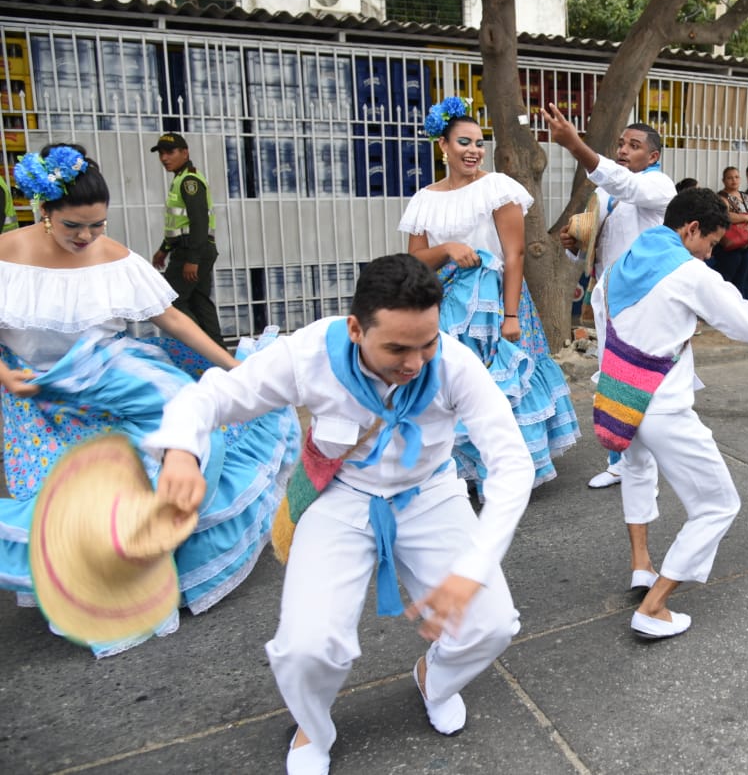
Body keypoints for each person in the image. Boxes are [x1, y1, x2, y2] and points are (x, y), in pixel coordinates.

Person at [145, 253, 534, 775]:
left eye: (427, 343)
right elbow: (210, 397)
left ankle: (434, 678)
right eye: (397, 347)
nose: (415, 363)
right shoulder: (308, 353)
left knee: (490, 624)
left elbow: (513, 463)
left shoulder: (455, 363)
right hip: (341, 493)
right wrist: (180, 452)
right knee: (306, 646)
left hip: (430, 492)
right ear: (356, 328)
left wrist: (476, 563)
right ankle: (313, 725)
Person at [0, 143, 298, 656]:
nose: (88, 237)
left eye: (98, 224)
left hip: (111, 386)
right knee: (68, 506)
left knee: (152, 476)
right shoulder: (7, 257)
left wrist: (235, 368)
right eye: (74, 226)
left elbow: (175, 319)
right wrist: (6, 374)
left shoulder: (115, 258)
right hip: (36, 403)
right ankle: (100, 598)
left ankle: (158, 582)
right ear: (43, 211)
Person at [592, 187, 748, 638]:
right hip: (664, 405)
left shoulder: (626, 261)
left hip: (619, 395)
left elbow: (603, 314)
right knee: (718, 504)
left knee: (639, 472)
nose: (710, 253)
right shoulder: (689, 273)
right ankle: (654, 605)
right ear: (692, 229)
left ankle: (641, 565)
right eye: (711, 243)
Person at [400, 100, 579, 491]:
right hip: (446, 307)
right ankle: (457, 474)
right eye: (464, 142)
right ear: (443, 146)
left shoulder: (496, 188)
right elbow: (415, 260)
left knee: (500, 388)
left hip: (496, 303)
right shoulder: (424, 199)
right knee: (453, 388)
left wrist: (511, 316)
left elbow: (513, 255)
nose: (474, 151)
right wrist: (446, 247)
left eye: (479, 143)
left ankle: (502, 477)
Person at [544, 102, 677, 490]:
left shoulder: (658, 185)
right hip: (608, 298)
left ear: (652, 156)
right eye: (621, 143)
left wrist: (576, 146)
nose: (623, 149)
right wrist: (574, 243)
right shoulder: (604, 193)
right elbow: (598, 242)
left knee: (639, 380)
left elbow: (627, 185)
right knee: (614, 381)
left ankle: (641, 457)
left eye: (633, 145)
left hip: (642, 302)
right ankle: (622, 459)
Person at [149, 132, 223, 344]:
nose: (164, 158)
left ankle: (200, 346)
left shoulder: (189, 181)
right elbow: (178, 225)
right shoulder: (181, 178)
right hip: (192, 248)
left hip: (192, 251)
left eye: (170, 152)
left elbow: (199, 222)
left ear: (184, 152)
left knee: (170, 302)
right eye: (161, 154)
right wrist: (164, 249)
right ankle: (218, 352)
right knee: (200, 301)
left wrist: (193, 259)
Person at [711, 166, 748, 300]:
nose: (734, 180)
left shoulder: (745, 196)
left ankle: (737, 308)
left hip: (746, 245)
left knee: (740, 281)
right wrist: (746, 218)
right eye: (730, 177)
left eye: (736, 177)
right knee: (726, 280)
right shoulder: (721, 197)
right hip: (729, 247)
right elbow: (725, 215)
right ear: (723, 180)